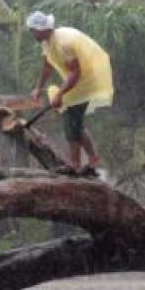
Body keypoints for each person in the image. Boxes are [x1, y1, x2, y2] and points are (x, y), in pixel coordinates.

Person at [26, 11, 114, 177]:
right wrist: (38, 87)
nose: (32, 34)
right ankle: (93, 159)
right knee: (74, 124)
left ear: (42, 29)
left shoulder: (62, 43)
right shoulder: (47, 43)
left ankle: (76, 164)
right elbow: (47, 66)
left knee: (71, 123)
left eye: (33, 30)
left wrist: (60, 94)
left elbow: (76, 72)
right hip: (77, 82)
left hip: (85, 82)